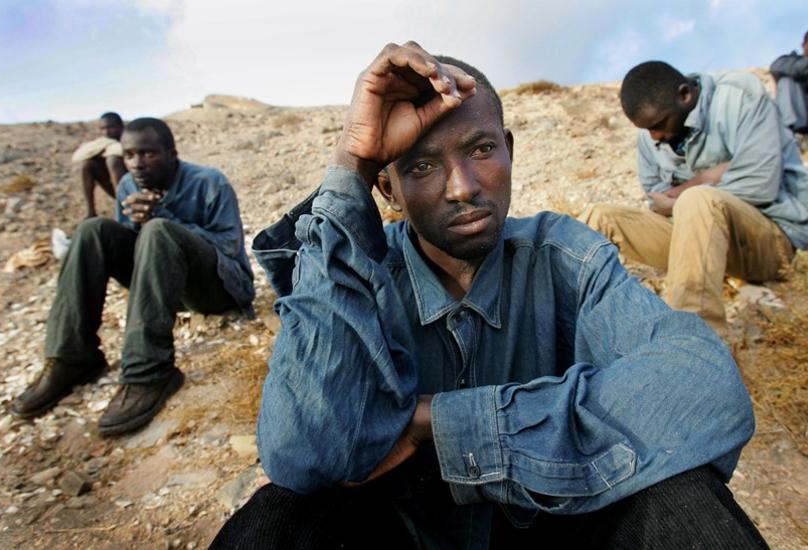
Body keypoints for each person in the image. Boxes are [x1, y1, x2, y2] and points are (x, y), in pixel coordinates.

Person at [211, 43, 768, 549]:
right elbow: (301, 456)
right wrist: (350, 166)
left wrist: (435, 420)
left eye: (480, 150)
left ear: (508, 150)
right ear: (388, 188)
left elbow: (705, 390)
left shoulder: (567, 259)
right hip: (402, 533)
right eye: (422, 166)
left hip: (558, 524)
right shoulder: (359, 273)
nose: (462, 187)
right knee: (279, 517)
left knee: (682, 493)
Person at [10, 117, 254, 436]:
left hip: (218, 290)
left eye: (148, 154)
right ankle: (72, 357)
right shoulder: (128, 185)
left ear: (172, 153)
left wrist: (161, 219)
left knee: (158, 230)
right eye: (129, 156)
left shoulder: (210, 182)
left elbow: (229, 245)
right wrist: (141, 226)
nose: (137, 164)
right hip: (165, 289)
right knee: (92, 230)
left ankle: (149, 372)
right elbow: (129, 248)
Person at [580, 61, 808, 332]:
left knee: (697, 201)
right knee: (599, 217)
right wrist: (713, 175)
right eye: (646, 129)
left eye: (659, 125)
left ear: (685, 95)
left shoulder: (740, 97)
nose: (655, 136)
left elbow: (760, 184)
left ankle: (694, 349)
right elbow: (656, 199)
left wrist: (692, 190)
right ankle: (562, 337)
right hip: (697, 241)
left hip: (771, 242)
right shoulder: (651, 136)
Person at [71, 112, 128, 218]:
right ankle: (90, 212)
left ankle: (123, 208)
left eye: (111, 127)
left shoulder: (131, 139)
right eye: (103, 128)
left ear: (121, 127)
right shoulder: (105, 145)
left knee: (113, 160)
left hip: (139, 187)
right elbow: (79, 156)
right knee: (87, 164)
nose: (106, 132)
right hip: (117, 188)